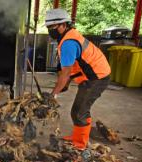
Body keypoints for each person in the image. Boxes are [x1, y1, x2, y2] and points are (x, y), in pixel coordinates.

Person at [45, 9, 111, 150]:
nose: (50, 30)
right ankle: (77, 136)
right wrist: (64, 85)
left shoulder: (69, 43)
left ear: (63, 24)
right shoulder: (67, 37)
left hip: (97, 77)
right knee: (78, 109)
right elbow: (68, 67)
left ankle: (80, 143)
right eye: (48, 27)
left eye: (53, 27)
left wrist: (53, 93)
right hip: (91, 75)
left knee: (80, 110)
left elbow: (66, 73)